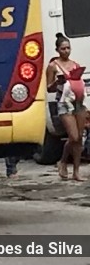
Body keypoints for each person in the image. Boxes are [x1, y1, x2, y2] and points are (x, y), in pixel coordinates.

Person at [46, 33, 87, 181]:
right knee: (73, 136)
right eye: (63, 49)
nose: (66, 51)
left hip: (79, 102)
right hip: (64, 103)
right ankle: (63, 161)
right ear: (57, 50)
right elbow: (48, 88)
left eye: (68, 48)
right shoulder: (53, 66)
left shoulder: (75, 64)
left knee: (79, 139)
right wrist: (57, 82)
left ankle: (76, 171)